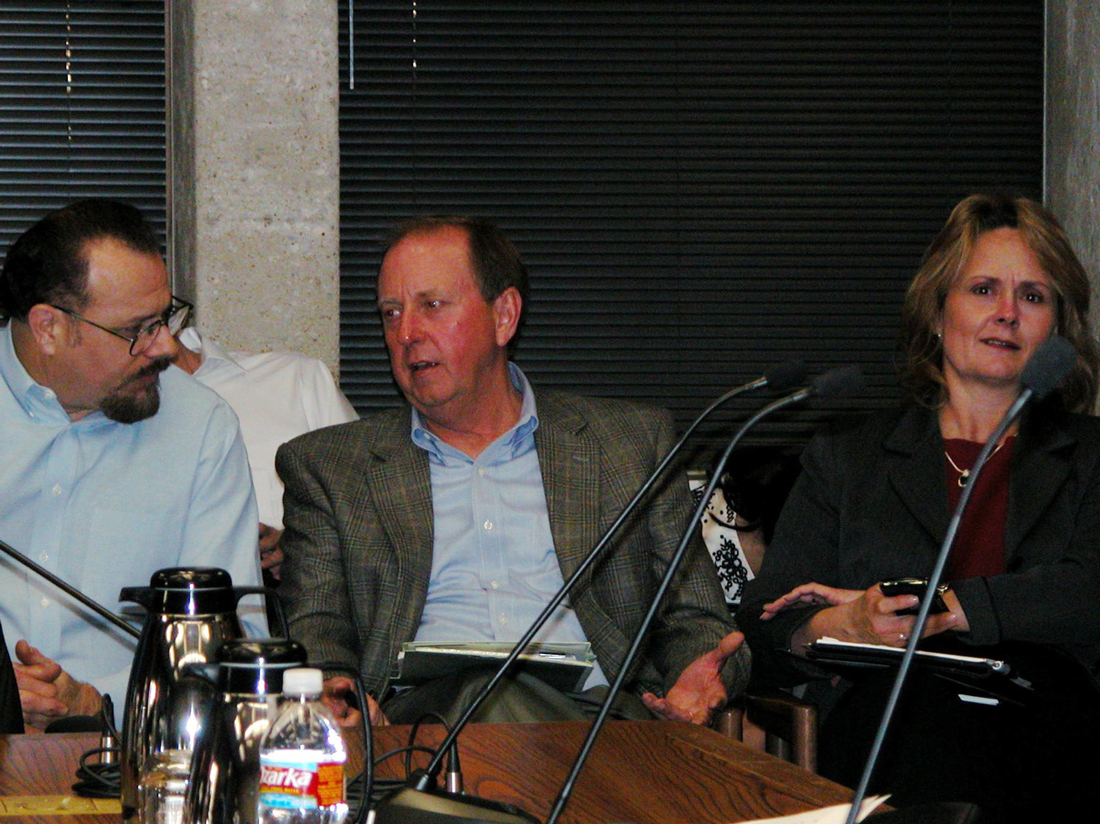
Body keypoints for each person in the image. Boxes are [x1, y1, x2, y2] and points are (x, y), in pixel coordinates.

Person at [277, 216, 748, 727]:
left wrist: (697, 674)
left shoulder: (628, 445)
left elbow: (698, 620)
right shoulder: (330, 467)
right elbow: (318, 630)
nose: (406, 333)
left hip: (598, 724)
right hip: (417, 725)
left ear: (503, 315)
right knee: (487, 694)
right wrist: (335, 694)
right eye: (391, 313)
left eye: (431, 305)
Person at [736, 193, 1100, 822]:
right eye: (983, 289)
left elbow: (1089, 590)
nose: (1008, 314)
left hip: (1054, 729)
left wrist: (945, 611)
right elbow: (767, 626)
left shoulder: (1093, 455)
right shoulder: (848, 459)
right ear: (935, 314)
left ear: (1056, 331)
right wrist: (836, 627)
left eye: (1033, 297)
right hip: (893, 732)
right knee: (922, 711)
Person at [0, 200, 265, 730]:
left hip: (133, 750)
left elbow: (232, 638)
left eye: (166, 318)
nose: (166, 345)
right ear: (48, 327)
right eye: (138, 329)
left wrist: (100, 703)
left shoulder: (201, 427)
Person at [174, 327, 358, 580]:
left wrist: (298, 546)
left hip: (296, 604)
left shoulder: (295, 378)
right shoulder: (106, 417)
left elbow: (369, 514)